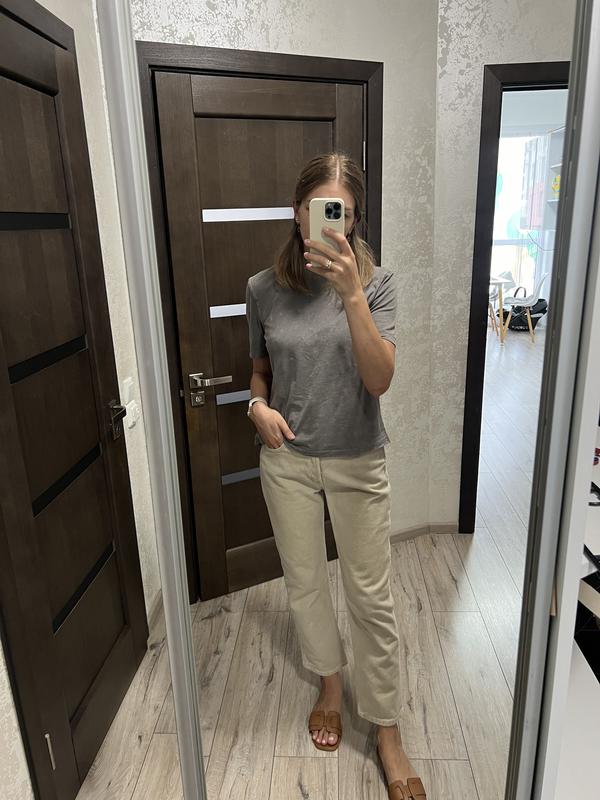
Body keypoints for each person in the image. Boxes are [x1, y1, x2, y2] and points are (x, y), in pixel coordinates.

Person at [245, 152, 426, 800]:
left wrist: (351, 294)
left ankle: (386, 728)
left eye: (343, 215)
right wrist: (256, 407)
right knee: (305, 586)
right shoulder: (262, 289)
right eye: (320, 210)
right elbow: (260, 373)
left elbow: (379, 380)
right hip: (288, 460)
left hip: (357, 457)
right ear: (297, 212)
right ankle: (329, 685)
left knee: (371, 598)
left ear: (353, 221)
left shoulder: (379, 284)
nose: (331, 223)